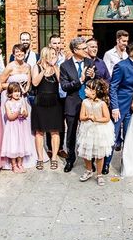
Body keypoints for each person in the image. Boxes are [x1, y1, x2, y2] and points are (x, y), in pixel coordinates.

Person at [103, 41, 133, 174]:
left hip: (132, 107)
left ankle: (126, 165)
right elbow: (113, 87)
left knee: (129, 137)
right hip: (119, 107)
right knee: (113, 136)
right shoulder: (121, 66)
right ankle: (106, 164)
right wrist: (114, 107)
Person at [0, 44, 37, 169]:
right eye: (17, 52)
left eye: (22, 52)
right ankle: (12, 157)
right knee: (12, 128)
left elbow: (29, 83)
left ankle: (24, 155)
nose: (20, 54)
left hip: (22, 98)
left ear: (25, 53)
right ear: (13, 53)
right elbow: (1, 83)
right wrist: (14, 86)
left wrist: (24, 90)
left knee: (24, 126)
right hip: (10, 97)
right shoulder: (9, 67)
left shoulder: (28, 66)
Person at [60, 37, 92, 172]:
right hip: (72, 103)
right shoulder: (65, 66)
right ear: (75, 50)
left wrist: (92, 76)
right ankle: (70, 159)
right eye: (84, 48)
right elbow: (65, 86)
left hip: (88, 103)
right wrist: (81, 79)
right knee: (71, 134)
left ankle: (90, 161)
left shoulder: (90, 62)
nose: (87, 50)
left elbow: (95, 83)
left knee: (89, 133)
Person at [76, 79, 115, 186]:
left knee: (99, 153)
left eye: (88, 88)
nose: (85, 90)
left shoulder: (102, 103)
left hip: (100, 130)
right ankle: (88, 170)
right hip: (87, 129)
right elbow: (81, 117)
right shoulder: (85, 102)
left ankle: (99, 174)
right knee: (85, 151)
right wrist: (88, 117)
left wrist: (96, 119)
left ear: (95, 91)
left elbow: (107, 118)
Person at [31, 47, 64, 170]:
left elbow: (61, 81)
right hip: (40, 102)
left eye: (55, 54)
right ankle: (40, 158)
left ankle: (54, 158)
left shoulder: (56, 67)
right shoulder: (37, 67)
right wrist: (44, 70)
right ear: (45, 55)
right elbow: (35, 83)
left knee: (55, 131)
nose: (54, 56)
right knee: (39, 131)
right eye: (52, 54)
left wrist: (54, 67)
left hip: (54, 102)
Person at [0, 82, 31, 173]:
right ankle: (14, 165)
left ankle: (20, 164)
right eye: (15, 91)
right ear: (10, 93)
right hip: (12, 127)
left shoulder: (22, 101)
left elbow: (26, 114)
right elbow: (10, 117)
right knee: (13, 145)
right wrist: (17, 112)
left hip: (21, 126)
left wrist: (24, 113)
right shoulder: (8, 103)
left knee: (21, 144)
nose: (17, 93)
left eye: (18, 91)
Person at [47, 34, 68, 159]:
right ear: (50, 44)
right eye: (54, 43)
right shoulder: (46, 57)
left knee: (61, 121)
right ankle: (50, 148)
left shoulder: (64, 57)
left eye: (58, 43)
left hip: (63, 92)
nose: (57, 45)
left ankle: (60, 148)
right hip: (51, 92)